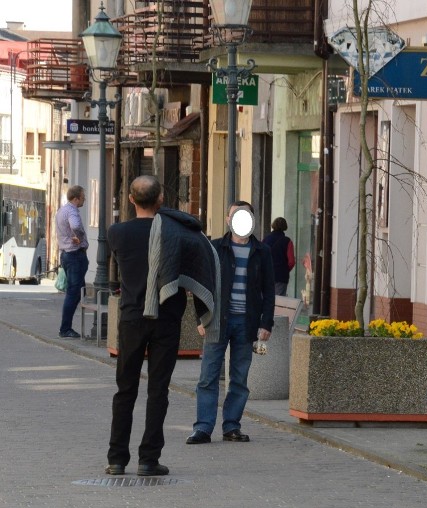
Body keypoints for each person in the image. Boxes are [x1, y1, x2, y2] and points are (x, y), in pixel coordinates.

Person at [106, 175, 217, 477]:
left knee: (125, 389)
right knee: (158, 390)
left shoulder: (117, 233)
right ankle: (148, 460)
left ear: (131, 199)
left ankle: (116, 459)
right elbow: (200, 259)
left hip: (131, 318)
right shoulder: (178, 233)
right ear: (161, 201)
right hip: (167, 319)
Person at [187, 201, 276, 445]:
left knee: (239, 378)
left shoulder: (262, 252)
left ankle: (231, 426)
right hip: (217, 321)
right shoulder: (215, 248)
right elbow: (200, 286)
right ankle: (203, 428)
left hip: (246, 323)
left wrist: (266, 323)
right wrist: (201, 318)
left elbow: (268, 291)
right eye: (235, 215)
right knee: (208, 376)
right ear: (228, 219)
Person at [55, 185, 88, 338]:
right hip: (74, 254)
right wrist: (80, 237)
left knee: (78, 290)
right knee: (74, 292)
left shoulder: (61, 210)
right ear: (76, 198)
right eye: (83, 197)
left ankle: (67, 327)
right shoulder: (72, 211)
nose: (84, 199)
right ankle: (65, 329)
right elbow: (75, 225)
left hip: (66, 254)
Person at [262, 217, 296, 296]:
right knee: (279, 301)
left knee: (266, 299)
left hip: (266, 275)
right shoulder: (287, 241)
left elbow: (260, 257)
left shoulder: (265, 240)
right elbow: (291, 261)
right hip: (281, 276)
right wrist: (285, 269)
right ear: (285, 227)